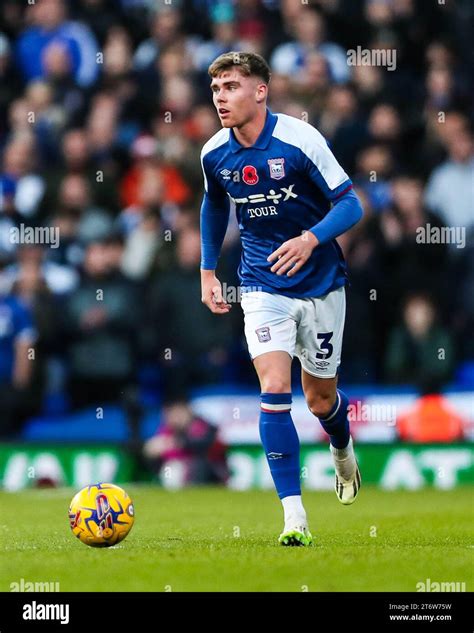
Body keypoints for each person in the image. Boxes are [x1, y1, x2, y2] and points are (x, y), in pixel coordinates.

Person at [199, 52, 363, 546]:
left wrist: (311, 238)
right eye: (216, 89)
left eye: (230, 86)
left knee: (320, 398)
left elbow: (351, 203)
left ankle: (341, 446)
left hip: (321, 283)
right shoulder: (213, 153)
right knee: (273, 388)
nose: (221, 98)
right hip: (261, 283)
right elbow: (213, 202)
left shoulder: (300, 139)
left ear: (260, 91)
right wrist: (208, 270)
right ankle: (294, 516)